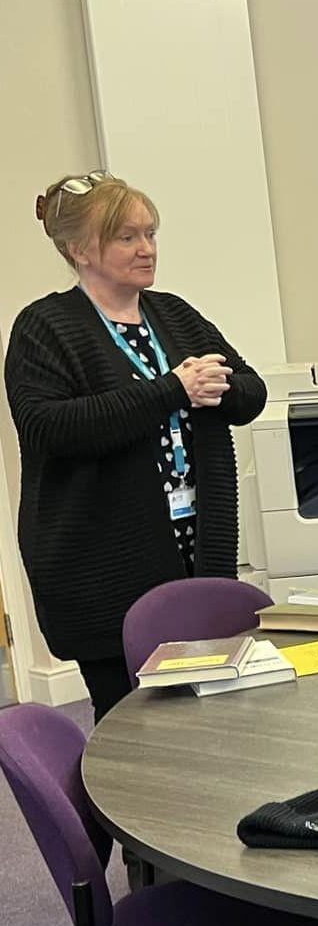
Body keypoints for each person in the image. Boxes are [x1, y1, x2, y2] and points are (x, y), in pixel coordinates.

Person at [7, 172, 266, 720]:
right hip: (102, 567)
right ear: (80, 249)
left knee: (216, 715)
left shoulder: (174, 314)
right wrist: (173, 390)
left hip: (197, 551)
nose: (147, 249)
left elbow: (251, 393)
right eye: (127, 237)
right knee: (134, 724)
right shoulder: (45, 327)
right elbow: (51, 427)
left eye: (150, 233)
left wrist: (219, 388)